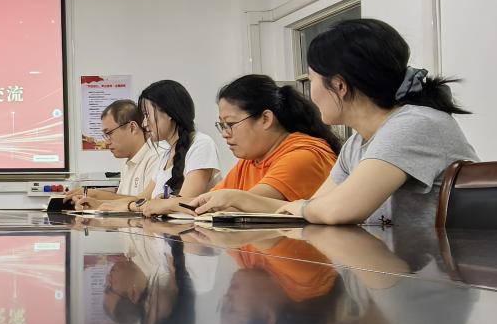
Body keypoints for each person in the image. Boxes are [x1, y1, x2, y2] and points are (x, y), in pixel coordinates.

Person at [274, 19, 477, 226]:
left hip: (450, 249)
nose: (310, 93)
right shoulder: (355, 145)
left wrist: (303, 207)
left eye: (311, 80)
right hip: (391, 248)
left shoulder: (414, 124)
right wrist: (306, 208)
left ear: (339, 85)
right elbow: (320, 207)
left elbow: (339, 209)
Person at [186, 75, 340, 215]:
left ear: (266, 119)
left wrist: (230, 199)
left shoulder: (304, 156)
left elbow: (236, 208)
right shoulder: (250, 160)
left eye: (230, 124)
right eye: (222, 125)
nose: (225, 134)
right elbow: (206, 202)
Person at [128, 80, 221, 217]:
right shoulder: (166, 154)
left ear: (169, 113)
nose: (144, 123)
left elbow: (184, 205)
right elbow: (142, 198)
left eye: (147, 114)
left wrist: (138, 206)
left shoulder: (201, 144)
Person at [64, 99, 165, 209]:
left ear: (132, 128)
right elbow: (126, 203)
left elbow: (145, 203)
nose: (107, 142)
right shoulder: (128, 163)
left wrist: (96, 195)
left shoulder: (157, 157)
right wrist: (93, 199)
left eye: (109, 133)